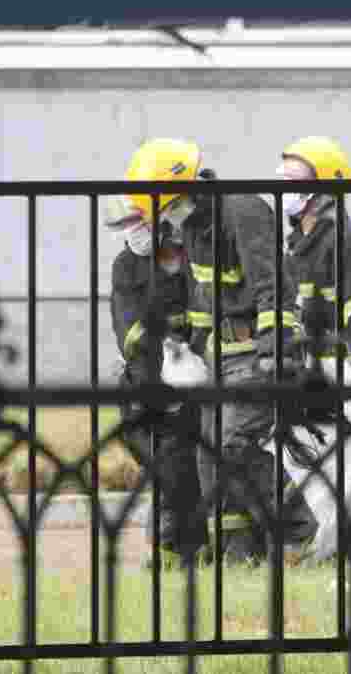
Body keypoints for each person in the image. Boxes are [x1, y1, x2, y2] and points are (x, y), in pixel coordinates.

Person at [124, 137, 301, 565]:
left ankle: (298, 534)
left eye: (162, 209)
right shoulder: (192, 227)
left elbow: (270, 288)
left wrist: (276, 354)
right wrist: (185, 348)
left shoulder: (242, 212)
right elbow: (204, 296)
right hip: (220, 357)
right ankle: (239, 553)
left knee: (233, 446)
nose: (162, 222)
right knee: (209, 459)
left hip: (256, 353)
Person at [275, 136, 351, 563]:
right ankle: (328, 547)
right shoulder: (298, 243)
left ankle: (335, 551)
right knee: (303, 458)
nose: (287, 188)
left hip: (347, 371)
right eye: (283, 178)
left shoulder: (346, 243)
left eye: (297, 180)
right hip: (314, 373)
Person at [104, 193, 208, 568]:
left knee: (190, 467)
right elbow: (130, 334)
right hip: (147, 388)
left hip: (195, 380)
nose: (133, 234)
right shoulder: (126, 267)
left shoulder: (193, 260)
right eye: (129, 226)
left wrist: (193, 356)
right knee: (167, 466)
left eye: (139, 224)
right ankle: (171, 547)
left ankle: (190, 546)